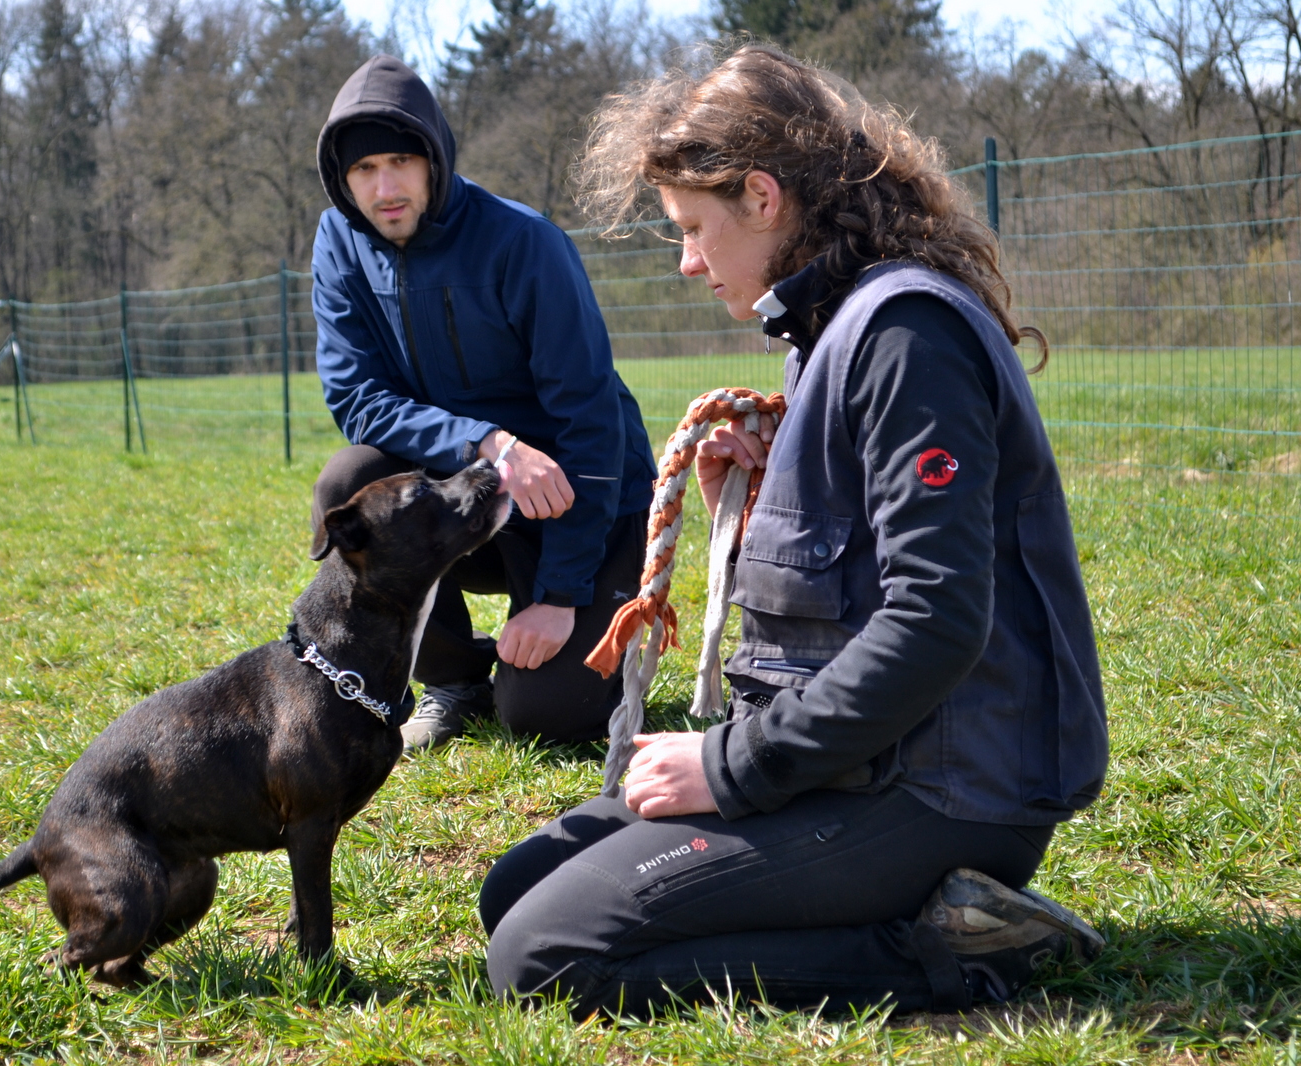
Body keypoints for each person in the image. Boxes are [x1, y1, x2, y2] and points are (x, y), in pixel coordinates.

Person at [480, 44, 1110, 1018]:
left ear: (763, 197)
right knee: (513, 891)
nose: (688, 261)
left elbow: (937, 620)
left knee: (543, 955)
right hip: (856, 764)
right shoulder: (832, 332)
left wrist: (727, 766)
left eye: (694, 228)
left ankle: (956, 948)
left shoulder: (905, 336)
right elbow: (854, 565)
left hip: (943, 792)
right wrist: (767, 492)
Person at [309, 55, 657, 751]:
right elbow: (356, 396)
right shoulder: (339, 244)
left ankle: (596, 635)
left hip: (583, 502)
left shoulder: (524, 243)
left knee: (544, 716)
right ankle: (454, 677)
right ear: (342, 180)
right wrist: (486, 443)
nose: (385, 187)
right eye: (364, 169)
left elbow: (591, 422)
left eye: (401, 161)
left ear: (435, 158)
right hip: (476, 494)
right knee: (351, 481)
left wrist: (559, 597)